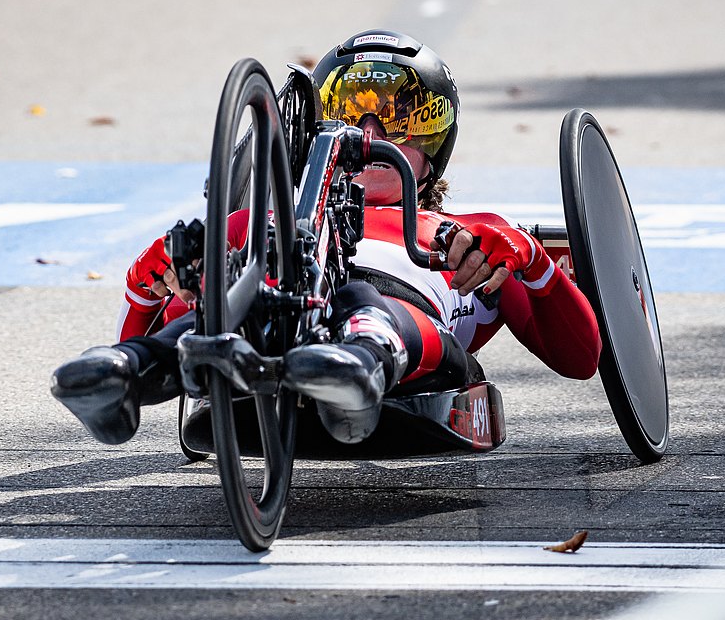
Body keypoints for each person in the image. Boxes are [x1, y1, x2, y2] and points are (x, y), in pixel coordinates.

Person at [52, 30, 601, 445]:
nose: (368, 134)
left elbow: (582, 359)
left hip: (407, 327)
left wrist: (532, 261)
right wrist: (153, 282)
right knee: (226, 302)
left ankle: (362, 363)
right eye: (346, 113)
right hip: (280, 303)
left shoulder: (472, 237)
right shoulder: (262, 225)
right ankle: (124, 372)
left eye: (396, 116)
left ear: (434, 137)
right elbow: (176, 292)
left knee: (370, 302)